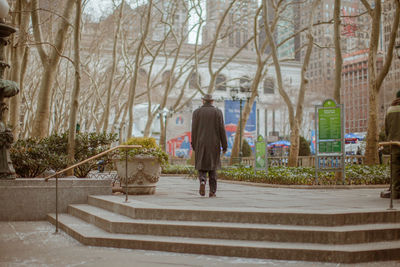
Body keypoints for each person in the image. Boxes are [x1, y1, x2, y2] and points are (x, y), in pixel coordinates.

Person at [191, 94, 227, 197]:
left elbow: (194, 130)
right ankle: (212, 191)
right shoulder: (217, 112)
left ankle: (202, 181)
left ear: (203, 101)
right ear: (212, 101)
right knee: (213, 168)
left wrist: (194, 144)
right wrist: (224, 145)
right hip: (214, 144)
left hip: (200, 143)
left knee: (201, 166)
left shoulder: (196, 112)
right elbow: (222, 130)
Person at [381, 90, 400, 199]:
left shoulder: (390, 110)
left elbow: (386, 129)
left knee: (395, 169)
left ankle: (395, 192)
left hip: (393, 144)